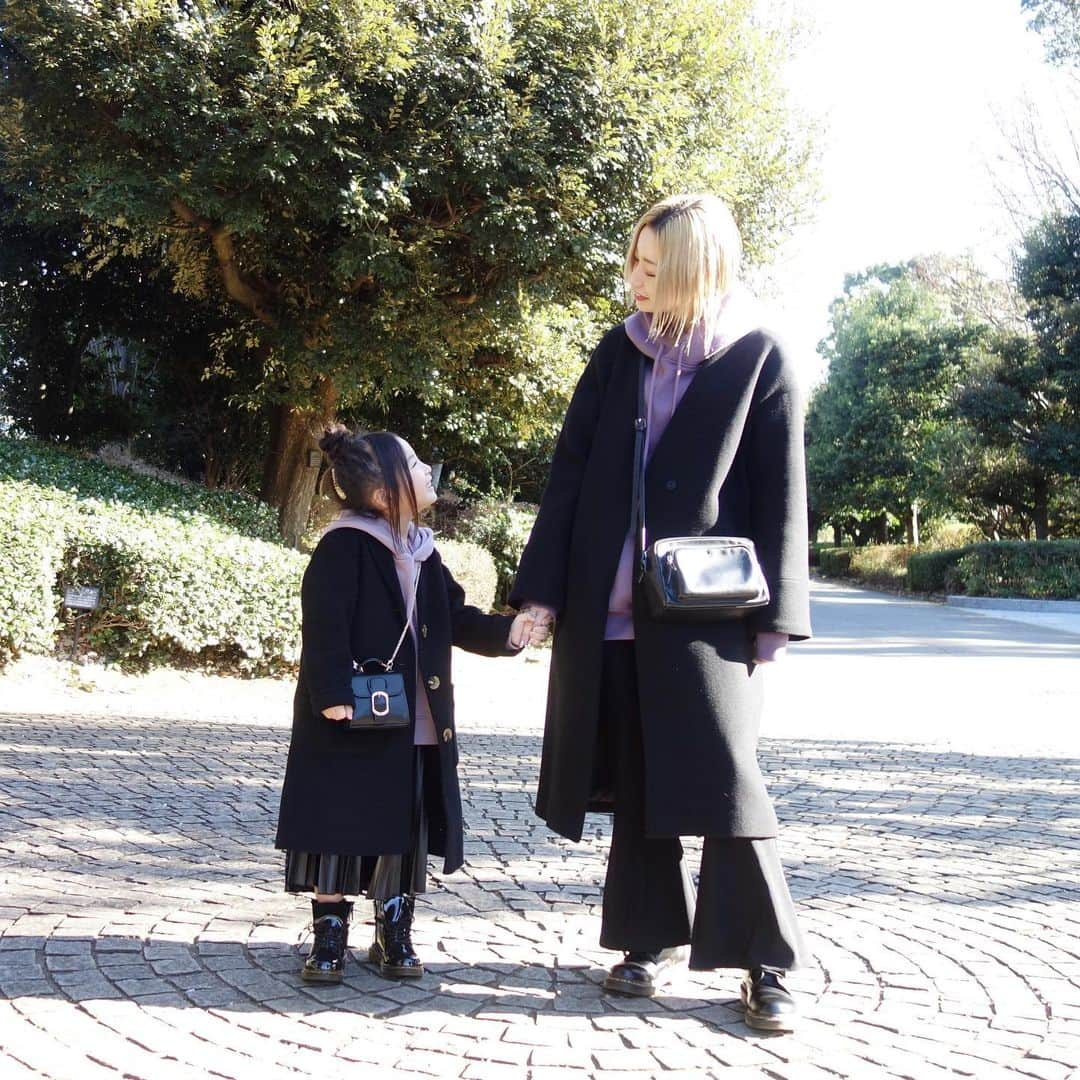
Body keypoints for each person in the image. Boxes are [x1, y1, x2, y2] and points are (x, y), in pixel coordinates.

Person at [511, 193, 812, 1031]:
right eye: (633, 261)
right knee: (640, 783)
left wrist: (776, 618)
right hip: (608, 607)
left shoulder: (758, 356)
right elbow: (570, 470)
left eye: (651, 267)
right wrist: (540, 591)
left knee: (725, 784)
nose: (633, 280)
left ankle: (764, 962)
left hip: (711, 610)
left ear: (693, 270)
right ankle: (643, 941)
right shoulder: (619, 352)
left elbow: (783, 491)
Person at [275, 425, 541, 983]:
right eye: (417, 465)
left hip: (415, 718)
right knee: (339, 824)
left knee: (403, 822)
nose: (428, 473)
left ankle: (395, 929)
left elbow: (455, 617)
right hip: (353, 714)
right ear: (384, 494)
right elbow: (323, 627)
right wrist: (330, 696)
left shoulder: (422, 551)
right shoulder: (343, 546)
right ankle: (329, 931)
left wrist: (507, 634)